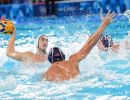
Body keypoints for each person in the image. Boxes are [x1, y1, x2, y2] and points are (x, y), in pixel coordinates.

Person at [43, 11, 116, 82]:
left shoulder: (47, 74)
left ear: (50, 60)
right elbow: (89, 43)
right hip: (77, 82)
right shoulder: (72, 60)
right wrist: (104, 24)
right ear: (63, 56)